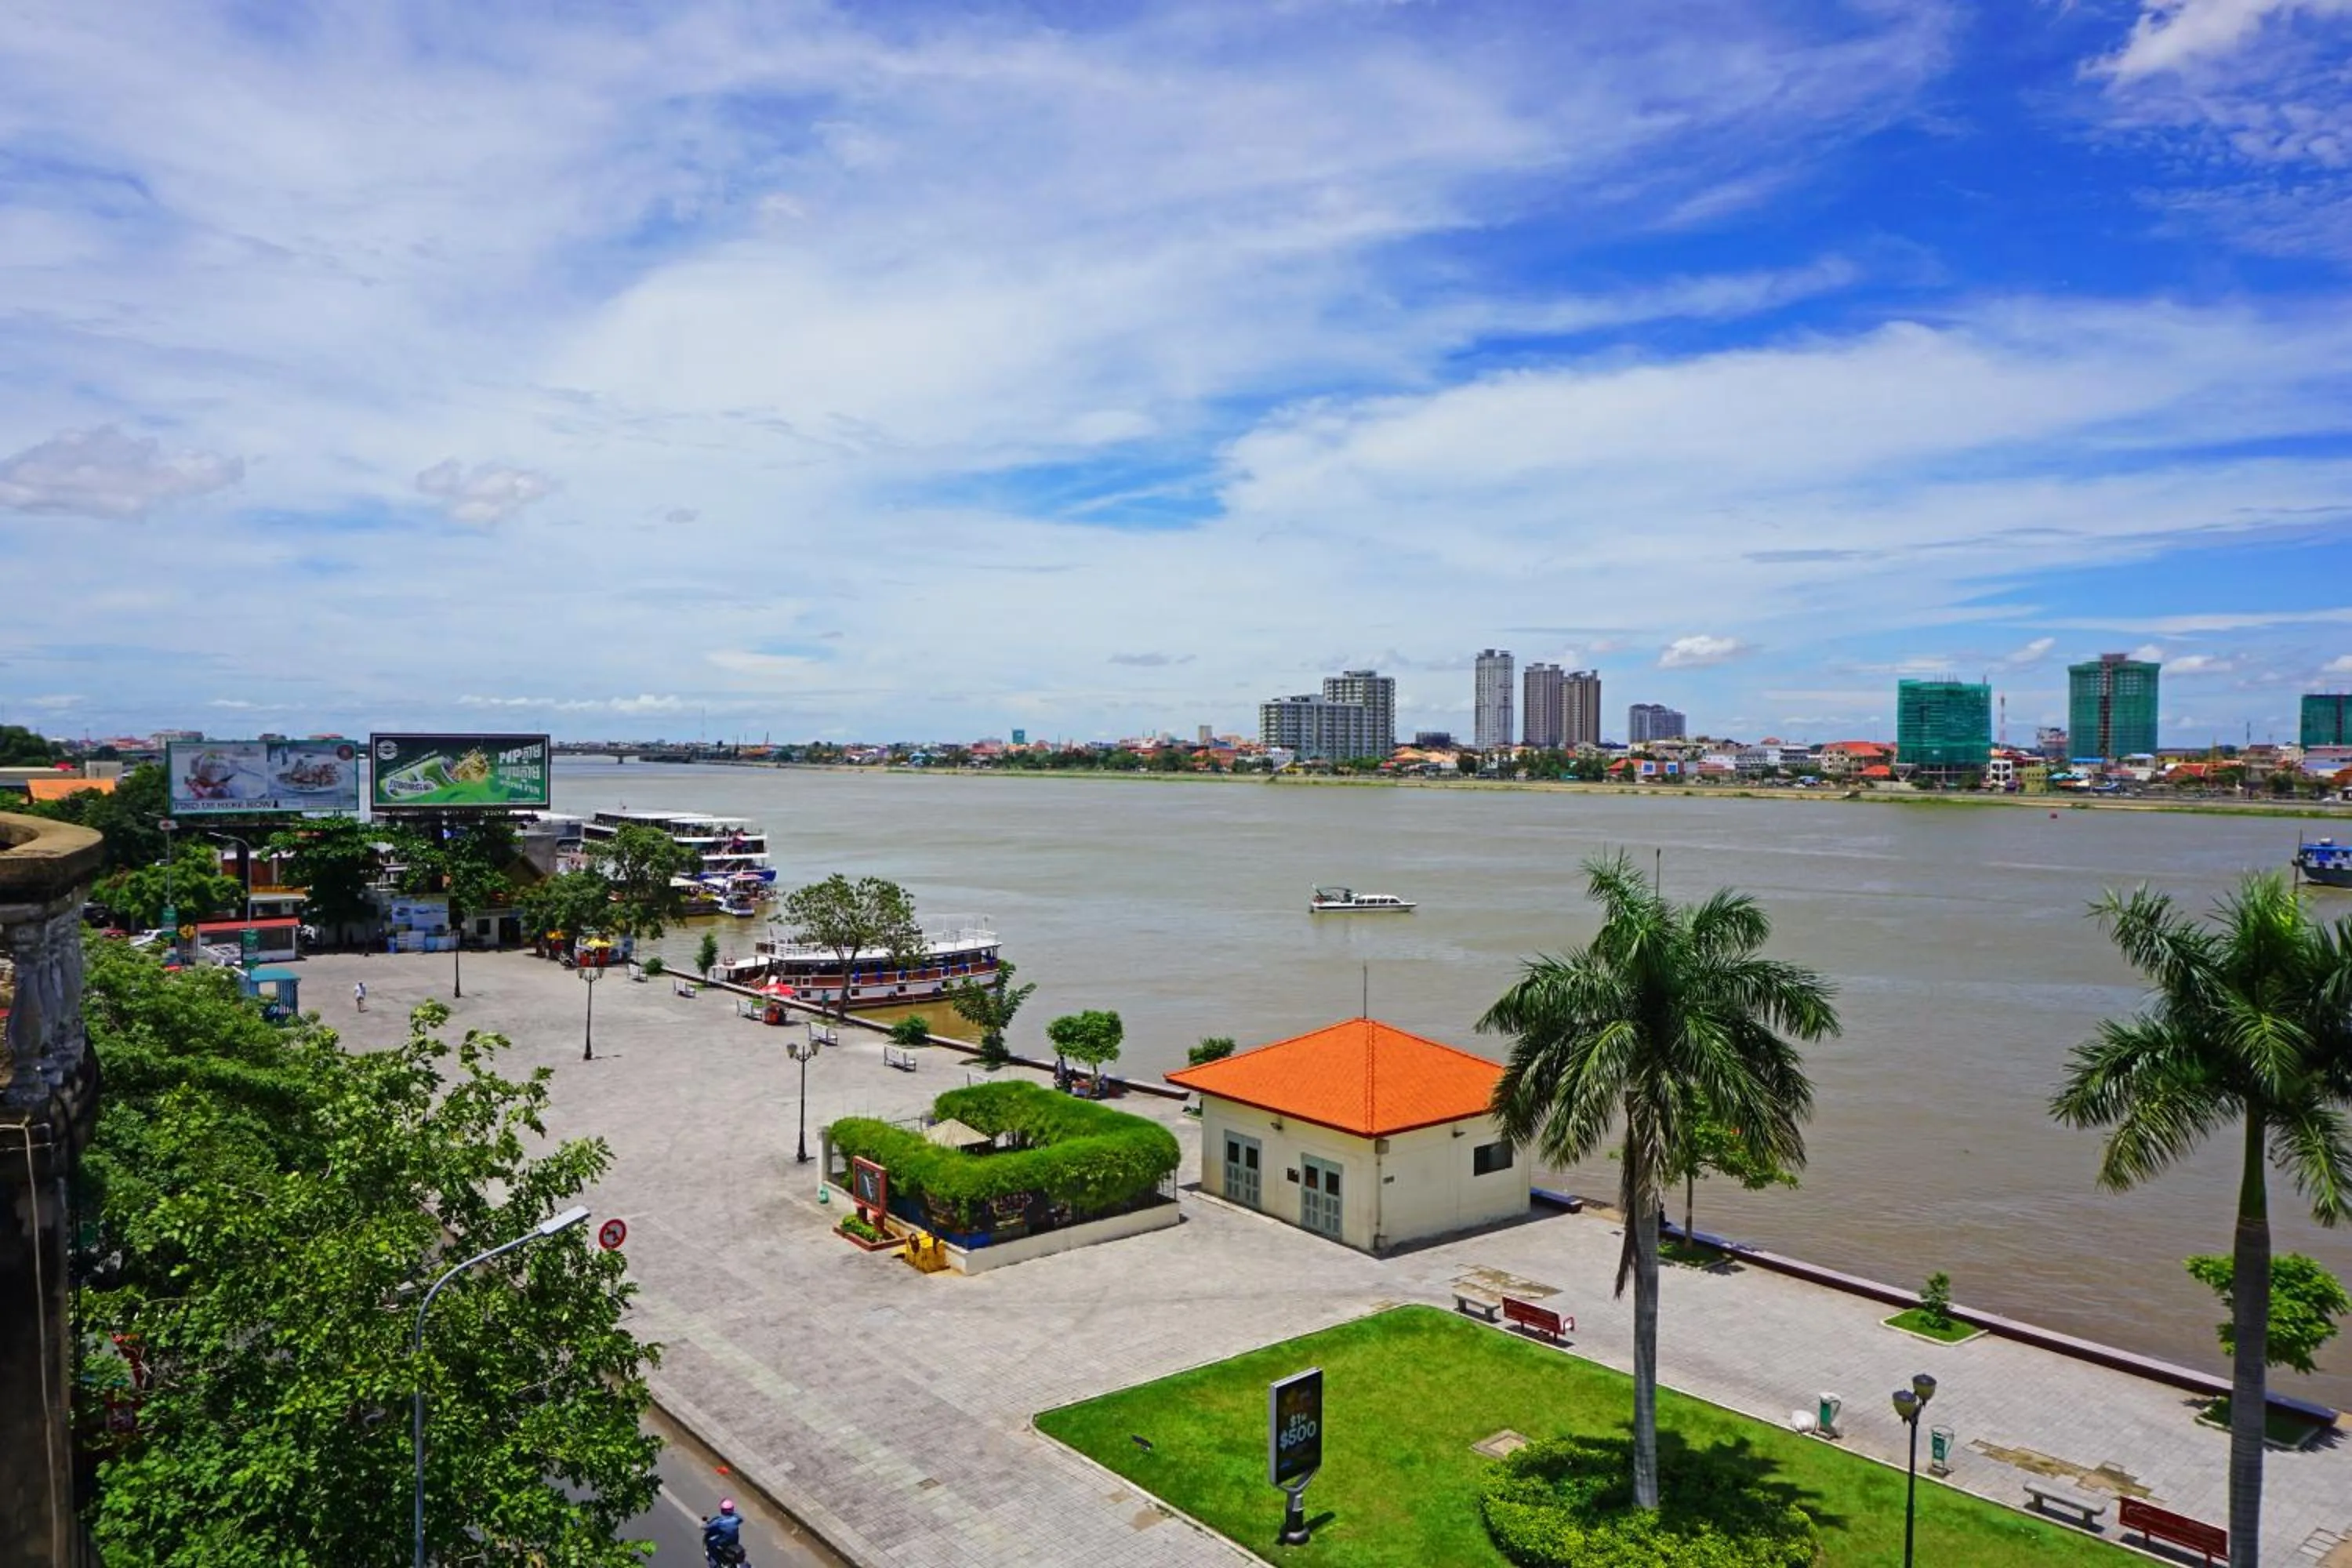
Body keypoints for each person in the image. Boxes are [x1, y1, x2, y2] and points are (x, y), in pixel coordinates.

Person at [702, 1498, 746, 1566]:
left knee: (711, 1543)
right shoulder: (736, 1518)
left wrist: (702, 1527)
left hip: (724, 1542)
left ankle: (715, 1563)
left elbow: (707, 1527)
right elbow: (741, 1520)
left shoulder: (719, 1521)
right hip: (735, 1541)